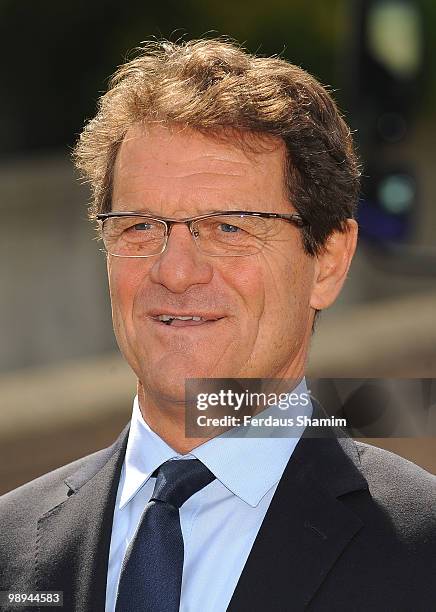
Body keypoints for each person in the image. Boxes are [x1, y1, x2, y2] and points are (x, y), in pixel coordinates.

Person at [0, 39, 434, 612]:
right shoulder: (12, 545)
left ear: (328, 261)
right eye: (138, 227)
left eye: (229, 227)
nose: (175, 271)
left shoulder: (420, 554)